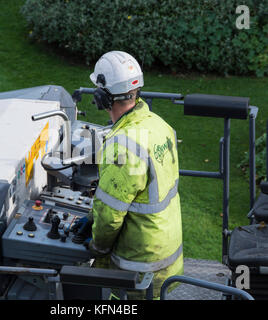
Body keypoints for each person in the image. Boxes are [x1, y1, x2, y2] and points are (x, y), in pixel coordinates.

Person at [86, 51, 184, 299]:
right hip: (168, 255)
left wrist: (96, 246)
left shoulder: (123, 145)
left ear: (102, 98)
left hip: (139, 267)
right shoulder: (159, 125)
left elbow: (109, 217)